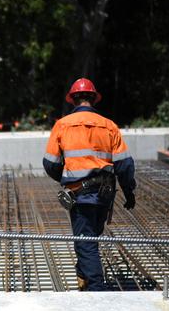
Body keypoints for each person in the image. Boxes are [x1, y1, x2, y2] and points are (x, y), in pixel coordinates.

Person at [43, 77, 136, 291]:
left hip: (79, 195)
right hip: (105, 194)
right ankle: (83, 278)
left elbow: (50, 164)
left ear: (72, 100)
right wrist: (129, 192)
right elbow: (124, 165)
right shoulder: (109, 125)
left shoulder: (62, 125)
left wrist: (67, 177)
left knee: (86, 243)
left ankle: (96, 289)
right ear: (94, 99)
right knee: (88, 240)